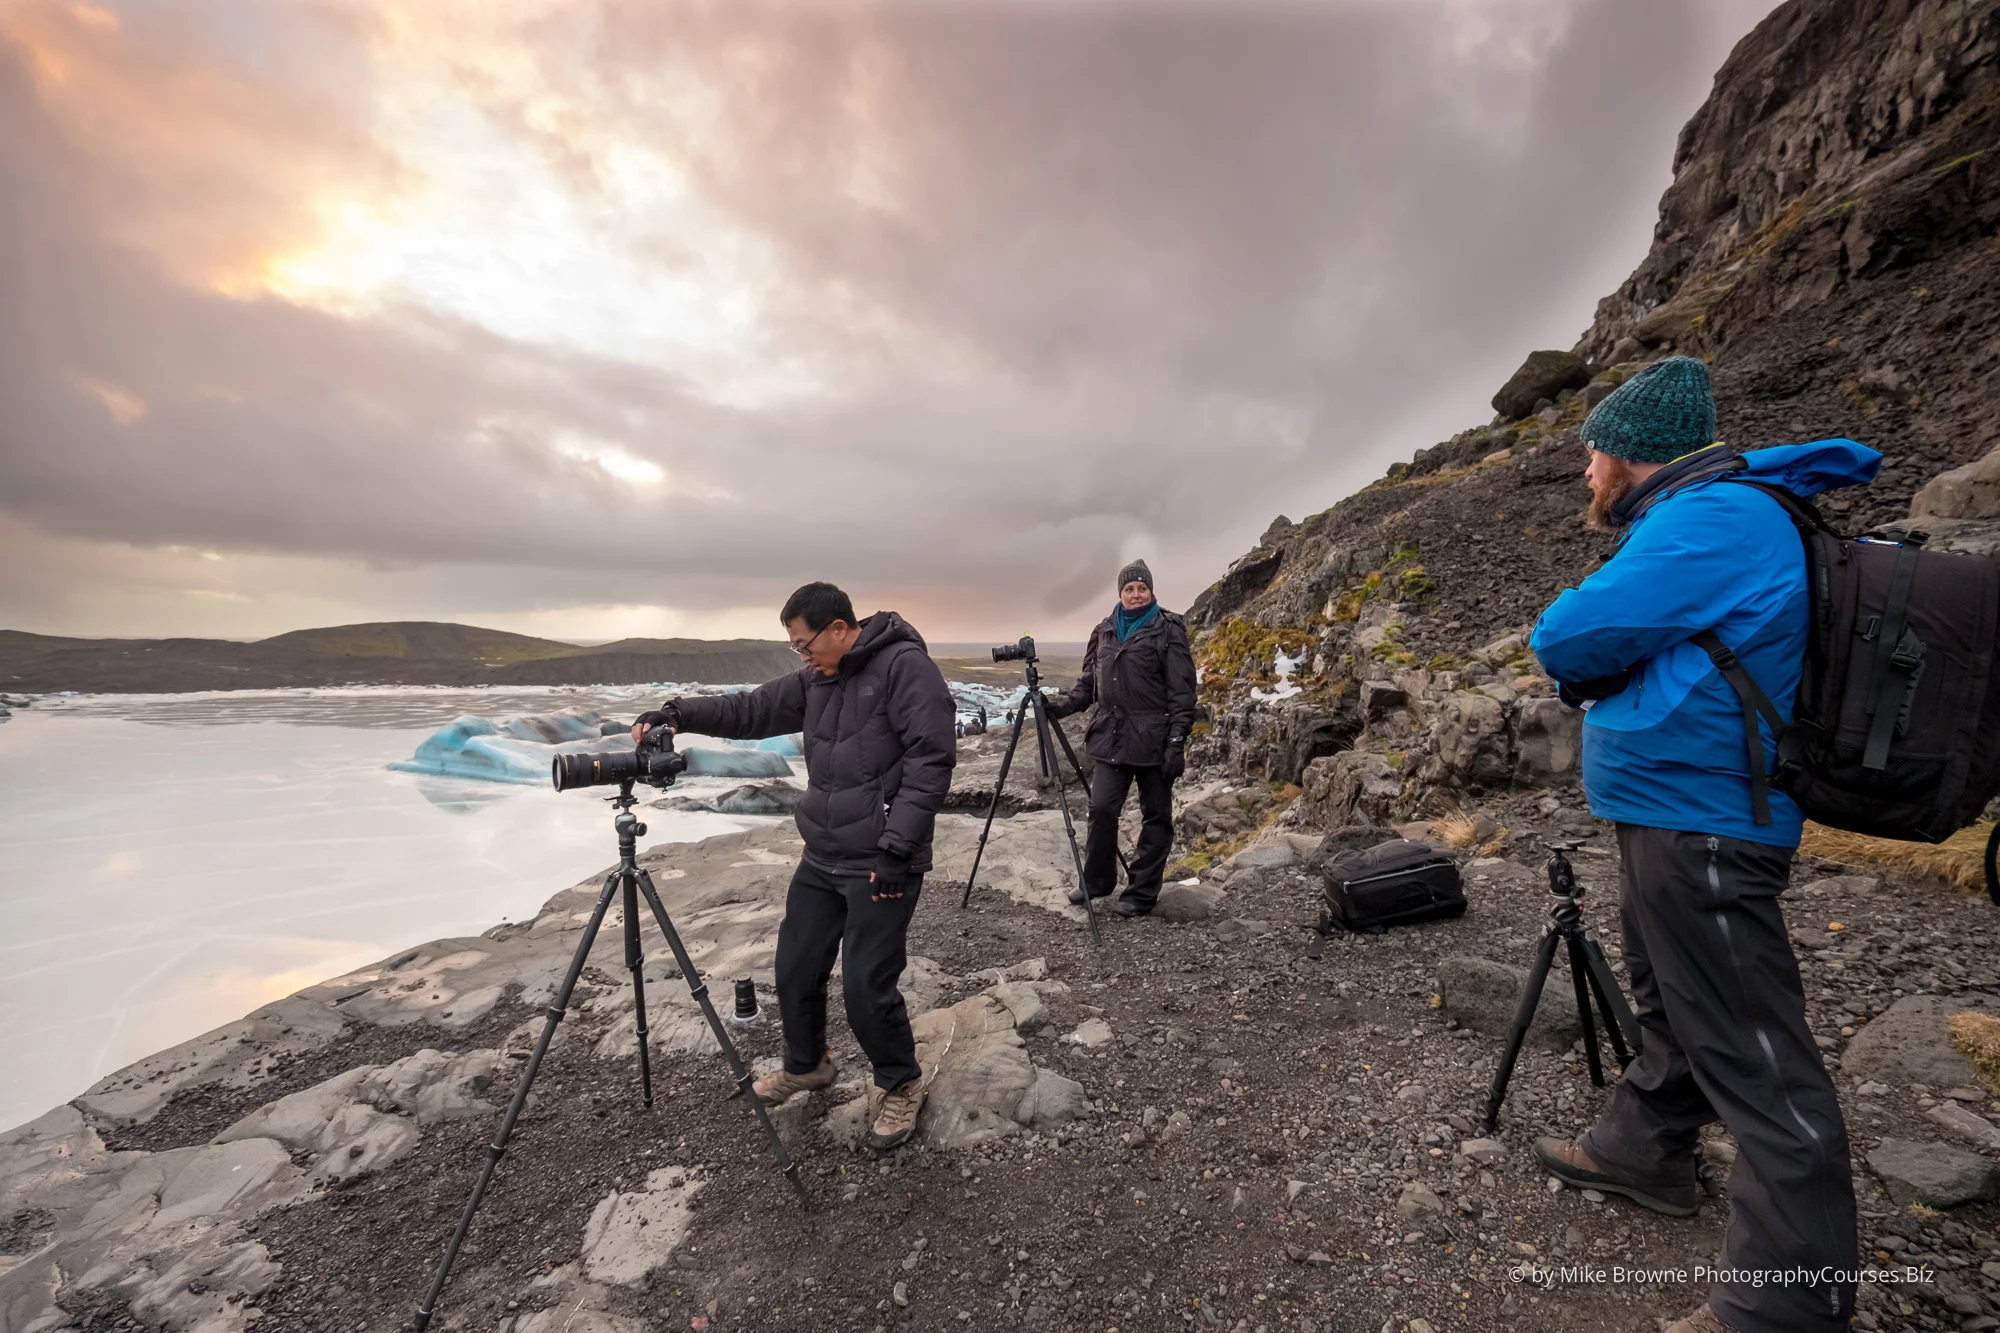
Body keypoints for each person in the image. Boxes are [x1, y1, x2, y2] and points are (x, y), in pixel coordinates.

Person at [1527, 356, 1879, 1333]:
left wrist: (1579, 664)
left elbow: (1567, 635)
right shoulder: (1701, 514)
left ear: (1631, 455)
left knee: (1756, 1051)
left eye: (1592, 454)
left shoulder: (1709, 518)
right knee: (1675, 1000)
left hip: (1704, 823)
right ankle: (1646, 1147)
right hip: (1676, 814)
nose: (1585, 474)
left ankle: (1785, 1308)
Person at [630, 582, 956, 1152]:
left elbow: (932, 758)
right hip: (823, 854)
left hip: (882, 858)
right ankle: (808, 1066)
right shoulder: (816, 678)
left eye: (805, 644)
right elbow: (749, 708)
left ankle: (900, 1082)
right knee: (795, 968)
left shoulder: (906, 669)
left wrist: (897, 848)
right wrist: (676, 713)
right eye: (795, 649)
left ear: (838, 628)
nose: (801, 656)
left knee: (865, 986)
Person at [1043, 559, 1199, 917]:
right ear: (1120, 593)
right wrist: (1060, 706)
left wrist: (1177, 742)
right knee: (1101, 809)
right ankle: (1097, 881)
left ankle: (1142, 892)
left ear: (1151, 591)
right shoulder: (1104, 631)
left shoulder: (1169, 629)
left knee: (1156, 816)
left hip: (1154, 741)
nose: (1135, 594)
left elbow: (1182, 692)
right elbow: (1088, 686)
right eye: (1129, 588)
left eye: (1141, 588)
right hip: (1111, 739)